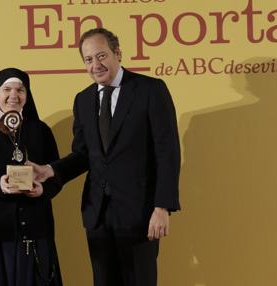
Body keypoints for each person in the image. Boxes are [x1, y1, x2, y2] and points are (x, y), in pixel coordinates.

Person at [32, 28, 181, 286]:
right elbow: (83, 155)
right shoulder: (83, 100)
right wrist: (50, 170)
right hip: (98, 213)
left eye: (101, 56)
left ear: (117, 54)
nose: (95, 65)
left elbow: (167, 152)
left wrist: (162, 206)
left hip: (141, 213)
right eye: (88, 60)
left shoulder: (150, 90)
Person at [0, 68, 63, 286]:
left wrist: (44, 190)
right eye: (6, 89)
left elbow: (56, 175)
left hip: (36, 229)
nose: (13, 95)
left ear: (27, 95)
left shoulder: (41, 130)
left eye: (20, 90)